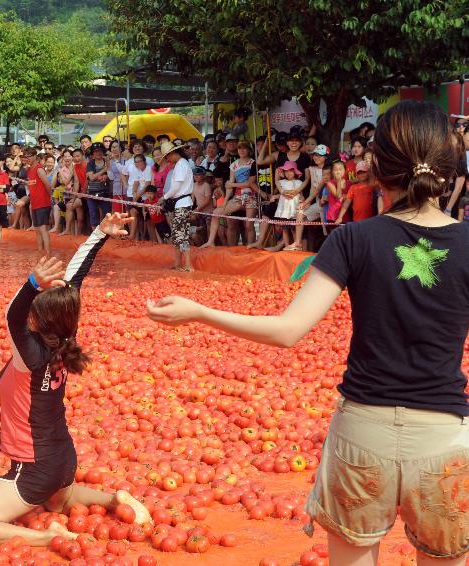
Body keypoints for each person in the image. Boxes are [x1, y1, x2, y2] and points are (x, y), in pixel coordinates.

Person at [148, 100, 469, 566]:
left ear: (375, 168)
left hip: (364, 433)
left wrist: (201, 311)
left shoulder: (354, 239)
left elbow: (288, 330)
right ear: (449, 168)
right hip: (444, 438)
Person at [0, 212, 151, 545]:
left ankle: (52, 537)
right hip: (63, 459)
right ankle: (116, 500)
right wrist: (99, 233)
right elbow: (74, 283)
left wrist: (31, 284)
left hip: (36, 468)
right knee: (58, 501)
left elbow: (11, 315)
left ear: (38, 319)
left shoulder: (30, 354)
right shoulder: (66, 335)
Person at [160, 142, 195, 271]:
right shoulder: (181, 164)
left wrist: (164, 197)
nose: (167, 160)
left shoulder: (181, 165)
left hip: (182, 203)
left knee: (181, 235)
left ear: (172, 154)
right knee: (177, 235)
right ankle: (178, 263)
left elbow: (176, 187)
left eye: (167, 157)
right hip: (180, 203)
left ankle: (188, 265)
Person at [24, 147, 54, 256]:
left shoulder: (39, 169)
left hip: (43, 202)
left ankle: (48, 252)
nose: (27, 159)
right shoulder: (29, 170)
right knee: (37, 228)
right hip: (35, 203)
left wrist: (50, 197)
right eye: (26, 156)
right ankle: (40, 251)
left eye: (29, 156)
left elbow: (48, 185)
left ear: (35, 157)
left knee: (43, 228)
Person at [274, 161, 305, 249]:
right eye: (286, 171)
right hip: (284, 210)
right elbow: (280, 193)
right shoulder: (282, 182)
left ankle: (296, 245)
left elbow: (301, 195)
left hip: (294, 209)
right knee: (285, 229)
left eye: (290, 171)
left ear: (295, 172)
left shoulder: (299, 182)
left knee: (294, 229)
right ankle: (287, 246)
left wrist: (302, 199)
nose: (288, 173)